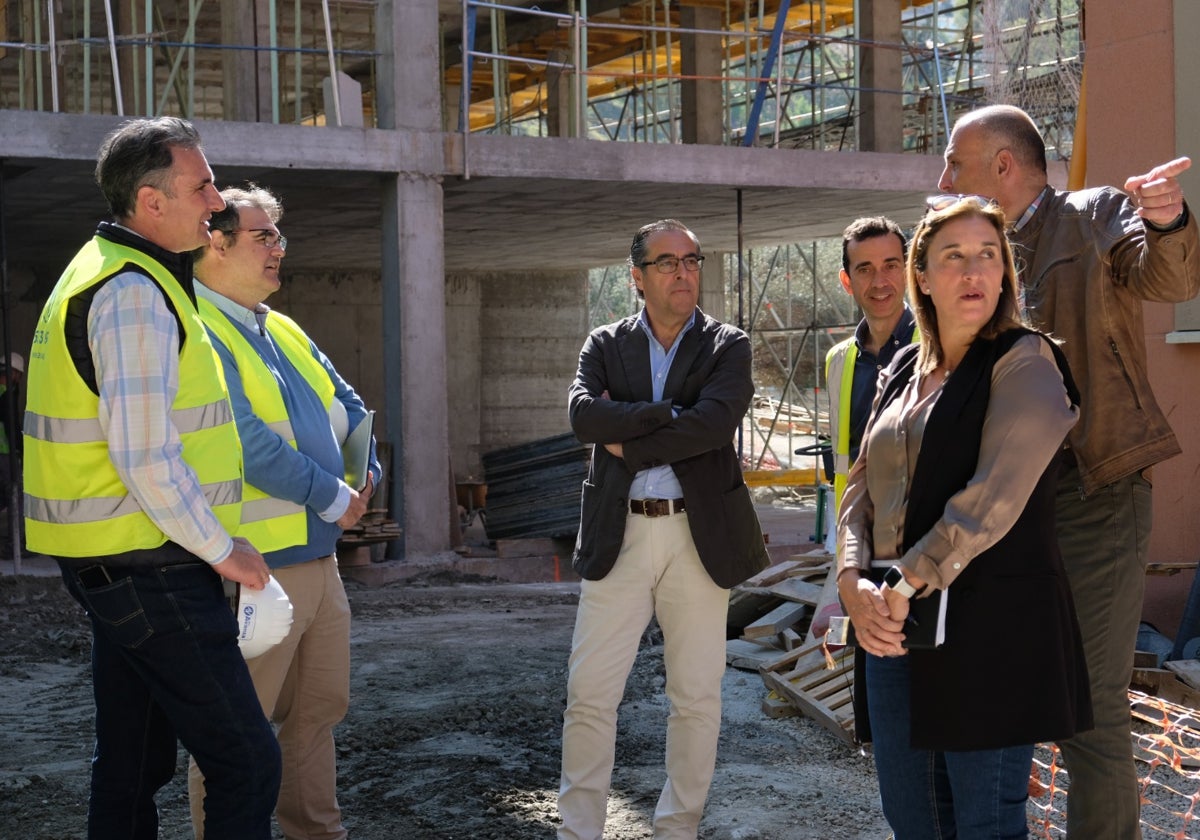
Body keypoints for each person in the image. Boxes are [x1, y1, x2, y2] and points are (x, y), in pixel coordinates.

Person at [939, 103, 1200, 838]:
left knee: (1090, 710)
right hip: (1003, 509)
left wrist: (1169, 219)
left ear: (1002, 166)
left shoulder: (1092, 217)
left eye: (954, 161)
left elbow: (1170, 278)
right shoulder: (974, 255)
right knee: (1010, 698)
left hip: (1094, 492)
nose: (942, 176)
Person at [21, 117, 281, 837]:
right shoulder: (133, 292)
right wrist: (224, 550)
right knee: (247, 762)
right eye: (201, 186)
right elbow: (145, 455)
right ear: (151, 201)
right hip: (150, 566)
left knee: (133, 763)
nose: (217, 202)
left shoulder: (107, 268)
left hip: (117, 561)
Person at [836, 195, 1092, 838]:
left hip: (990, 627)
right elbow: (861, 486)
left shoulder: (1026, 360)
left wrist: (903, 583)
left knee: (984, 824)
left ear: (1006, 272)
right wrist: (849, 580)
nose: (974, 272)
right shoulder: (901, 369)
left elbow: (992, 496)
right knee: (913, 818)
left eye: (989, 256)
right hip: (891, 628)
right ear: (922, 277)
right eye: (954, 257)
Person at [558, 219, 769, 840]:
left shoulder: (728, 345)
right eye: (668, 262)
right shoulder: (604, 343)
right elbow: (580, 415)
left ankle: (677, 830)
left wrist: (630, 439)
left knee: (696, 697)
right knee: (590, 695)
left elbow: (713, 425)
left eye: (691, 260)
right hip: (619, 535)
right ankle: (577, 832)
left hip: (698, 538)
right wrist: (664, 416)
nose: (683, 272)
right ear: (638, 278)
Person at [187, 185, 381, 839]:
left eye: (279, 237)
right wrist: (337, 497)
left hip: (320, 562)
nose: (278, 250)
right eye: (262, 237)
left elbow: (352, 410)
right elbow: (245, 442)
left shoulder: (284, 327)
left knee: (318, 713)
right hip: (249, 570)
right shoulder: (198, 330)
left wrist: (359, 480)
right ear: (214, 242)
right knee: (238, 733)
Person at [825, 217, 915, 511]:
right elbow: (844, 463)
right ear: (847, 281)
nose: (879, 282)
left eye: (890, 266)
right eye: (865, 269)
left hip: (925, 536)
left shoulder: (940, 347)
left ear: (908, 271)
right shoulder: (838, 361)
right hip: (860, 532)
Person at [0, 352, 24, 513]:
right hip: (5, 451)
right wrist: (19, 449)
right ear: (13, 373)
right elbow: (11, 425)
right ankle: (16, 537)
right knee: (15, 495)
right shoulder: (6, 395)